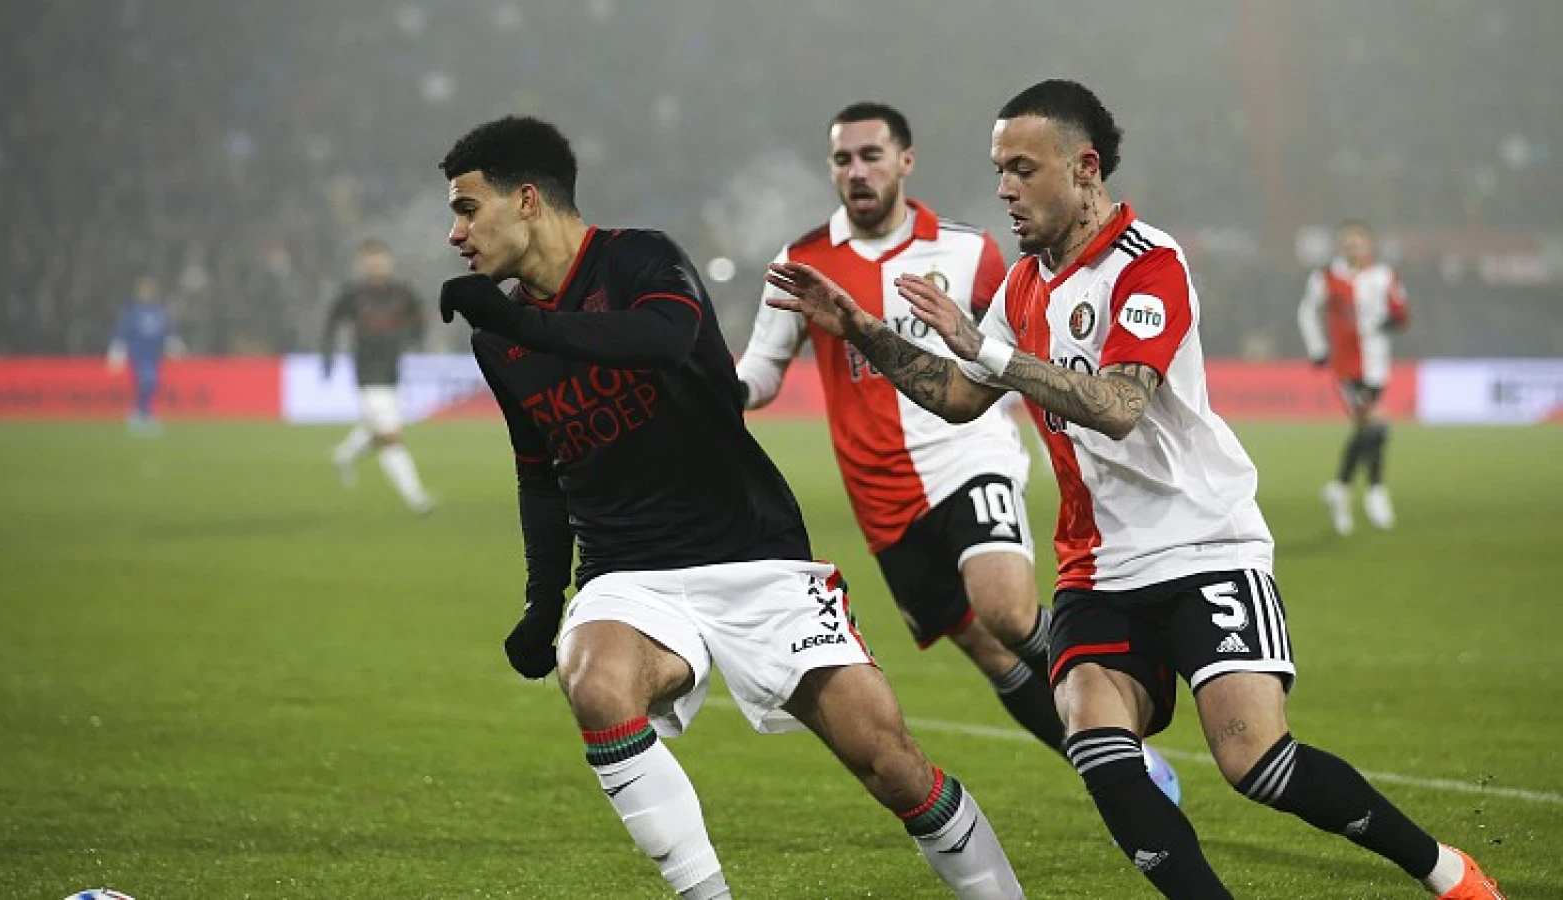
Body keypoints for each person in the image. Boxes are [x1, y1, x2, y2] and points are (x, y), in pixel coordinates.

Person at [765, 80, 1503, 900]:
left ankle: (1447, 873)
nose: (1004, 188)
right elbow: (962, 396)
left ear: (1084, 169)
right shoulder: (1024, 285)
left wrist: (990, 351)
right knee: (1100, 751)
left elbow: (1118, 405)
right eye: (997, 170)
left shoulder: (1147, 264)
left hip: (1203, 545)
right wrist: (861, 327)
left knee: (1254, 763)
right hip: (1098, 568)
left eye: (1022, 168)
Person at [437, 115, 1024, 900]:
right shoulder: (497, 340)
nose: (455, 233)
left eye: (468, 208)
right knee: (595, 680)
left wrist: (515, 318)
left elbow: (661, 343)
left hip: (755, 554)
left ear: (530, 200)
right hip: (627, 573)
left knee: (889, 762)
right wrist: (544, 605)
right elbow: (539, 472)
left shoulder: (641, 259)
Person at [736, 101, 1063, 751]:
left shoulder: (968, 251)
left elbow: (1018, 359)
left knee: (1005, 611)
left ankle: (1119, 680)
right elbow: (764, 368)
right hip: (880, 494)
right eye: (842, 159)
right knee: (986, 649)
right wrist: (712, 390)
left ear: (905, 162)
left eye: (871, 156)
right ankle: (1105, 760)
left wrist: (1064, 456)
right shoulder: (804, 258)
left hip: (970, 455)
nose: (856, 171)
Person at [1298, 220, 1409, 535]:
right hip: (1347, 368)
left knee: (1370, 430)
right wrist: (1317, 347)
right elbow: (1307, 311)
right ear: (1340, 244)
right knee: (1377, 425)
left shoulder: (1384, 276)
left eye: (1358, 240)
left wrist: (1392, 317)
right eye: (1348, 240)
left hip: (1377, 365)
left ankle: (1340, 489)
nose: (1353, 246)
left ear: (1369, 244)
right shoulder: (1326, 277)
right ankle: (1375, 491)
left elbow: (1402, 313)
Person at [321, 239, 435, 515]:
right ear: (361, 265)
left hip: (392, 369)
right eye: (370, 261)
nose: (375, 266)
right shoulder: (352, 295)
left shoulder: (402, 292)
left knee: (379, 429)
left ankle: (343, 456)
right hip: (367, 371)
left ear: (388, 262)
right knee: (390, 435)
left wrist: (414, 339)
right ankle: (416, 498)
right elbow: (332, 324)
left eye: (380, 260)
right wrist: (327, 358)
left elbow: (420, 320)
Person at [107, 275, 182, 434]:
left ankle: (143, 413)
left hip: (154, 353)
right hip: (138, 352)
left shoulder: (159, 310)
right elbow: (122, 329)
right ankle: (140, 413)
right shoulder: (132, 310)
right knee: (145, 381)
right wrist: (117, 347)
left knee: (153, 382)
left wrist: (172, 342)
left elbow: (167, 330)